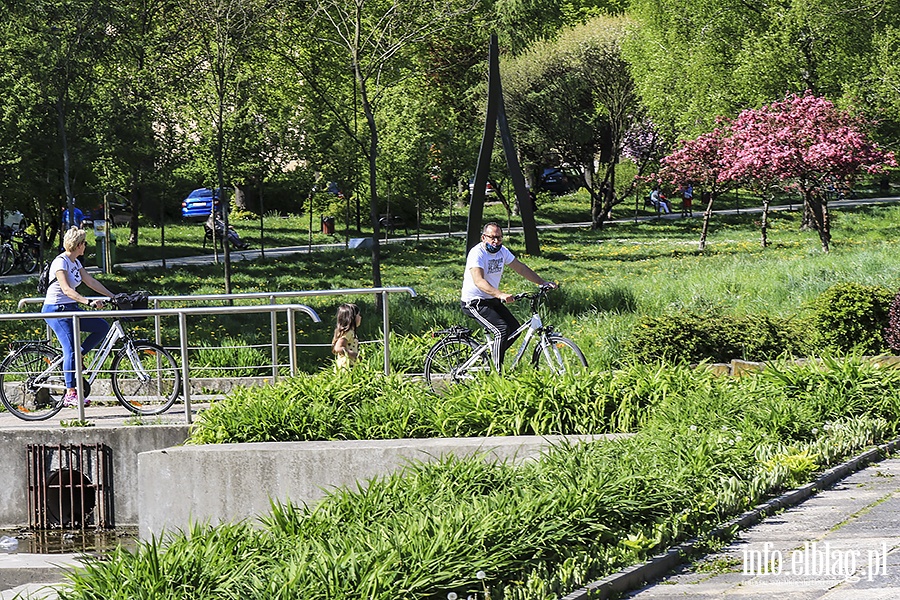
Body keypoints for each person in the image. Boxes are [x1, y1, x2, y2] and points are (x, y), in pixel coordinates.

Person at [460, 222, 557, 371]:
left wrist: (542, 282)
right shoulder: (477, 253)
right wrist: (500, 294)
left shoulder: (502, 252)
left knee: (514, 329)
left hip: (490, 299)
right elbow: (479, 281)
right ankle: (496, 374)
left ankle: (493, 358)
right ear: (483, 238)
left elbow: (521, 268)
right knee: (502, 330)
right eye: (492, 238)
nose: (496, 241)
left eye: (499, 238)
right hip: (474, 302)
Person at [42, 227, 115, 408]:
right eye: (85, 243)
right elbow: (66, 289)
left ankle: (77, 358)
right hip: (56, 311)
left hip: (70, 308)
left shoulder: (75, 263)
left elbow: (90, 281)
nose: (86, 247)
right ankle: (70, 393)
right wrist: (88, 302)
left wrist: (113, 296)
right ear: (78, 244)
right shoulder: (60, 262)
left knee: (102, 327)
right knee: (71, 349)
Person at [332, 303, 361, 369]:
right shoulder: (348, 332)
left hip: (349, 365)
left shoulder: (350, 332)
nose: (360, 317)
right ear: (352, 318)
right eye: (358, 315)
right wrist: (354, 355)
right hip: (346, 366)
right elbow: (338, 348)